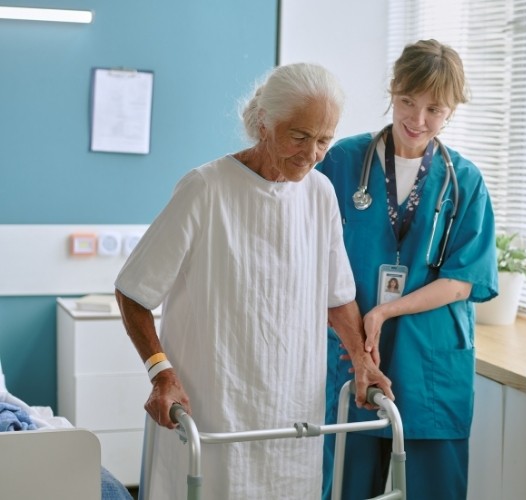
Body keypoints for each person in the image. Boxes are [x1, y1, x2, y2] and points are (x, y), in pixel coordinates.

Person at [114, 62, 392, 500]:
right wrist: (160, 373)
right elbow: (133, 292)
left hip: (291, 414)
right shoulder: (205, 189)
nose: (312, 153)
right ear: (264, 121)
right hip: (211, 408)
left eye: (324, 139)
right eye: (299, 136)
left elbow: (337, 297)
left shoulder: (319, 194)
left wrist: (361, 357)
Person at [318, 40, 498, 499]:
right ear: (393, 91)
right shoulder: (342, 162)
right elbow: (310, 255)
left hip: (430, 364)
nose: (417, 120)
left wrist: (383, 313)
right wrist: (360, 328)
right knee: (345, 485)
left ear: (452, 110)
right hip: (353, 356)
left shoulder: (465, 182)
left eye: (434, 109)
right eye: (407, 102)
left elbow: (463, 281)